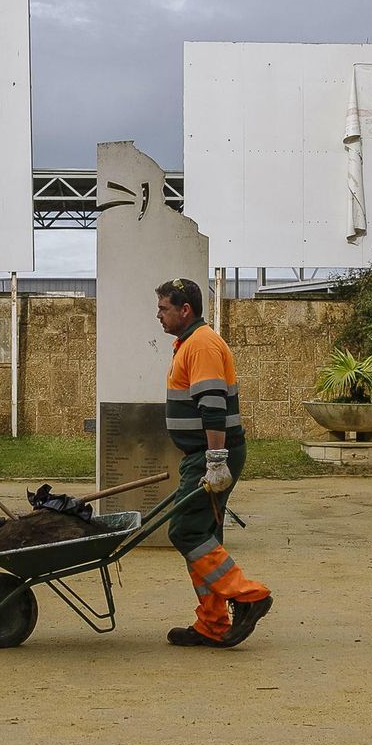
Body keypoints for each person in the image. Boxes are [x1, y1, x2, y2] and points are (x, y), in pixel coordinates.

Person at [155, 277, 273, 648]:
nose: (158, 315)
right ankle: (214, 623)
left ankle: (248, 595)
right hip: (202, 454)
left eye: (163, 308)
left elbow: (212, 405)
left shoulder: (202, 344)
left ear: (184, 309)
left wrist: (216, 460)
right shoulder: (191, 343)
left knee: (186, 531)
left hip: (212, 454)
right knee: (204, 536)